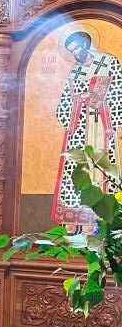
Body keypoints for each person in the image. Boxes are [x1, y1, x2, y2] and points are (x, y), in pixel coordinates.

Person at [53, 30, 122, 228]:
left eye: (76, 48)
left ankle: (105, 221)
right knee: (78, 168)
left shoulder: (108, 62)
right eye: (71, 51)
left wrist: (97, 99)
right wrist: (78, 100)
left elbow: (118, 92)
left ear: (85, 44)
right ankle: (77, 221)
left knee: (102, 168)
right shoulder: (75, 71)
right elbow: (65, 103)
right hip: (79, 129)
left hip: (102, 127)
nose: (75, 53)